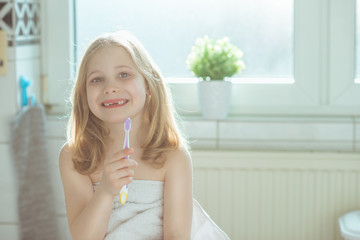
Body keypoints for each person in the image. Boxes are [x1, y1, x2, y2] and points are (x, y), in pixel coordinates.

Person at [59, 30, 230, 240]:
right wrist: (105, 191)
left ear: (148, 85)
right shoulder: (75, 155)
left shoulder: (172, 155)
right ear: (84, 95)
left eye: (124, 75)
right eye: (96, 79)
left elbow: (176, 235)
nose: (110, 87)